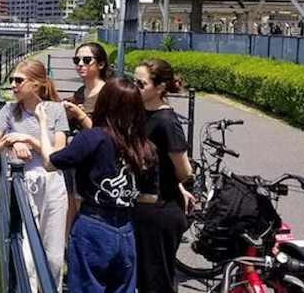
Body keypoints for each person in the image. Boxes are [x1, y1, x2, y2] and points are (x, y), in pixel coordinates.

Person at [36, 78, 155, 293]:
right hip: (126, 229)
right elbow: (151, 196)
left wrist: (43, 123)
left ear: (105, 103)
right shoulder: (144, 146)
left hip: (93, 225)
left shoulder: (92, 138)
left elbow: (50, 162)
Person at [0, 59, 68, 291]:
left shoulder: (56, 110)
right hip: (25, 181)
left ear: (37, 84)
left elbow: (59, 153)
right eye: (12, 80)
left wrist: (28, 140)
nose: (13, 85)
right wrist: (9, 143)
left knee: (54, 254)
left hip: (53, 182)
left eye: (19, 80)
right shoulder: (8, 111)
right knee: (26, 252)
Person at [132, 59, 194, 293]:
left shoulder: (166, 121)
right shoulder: (141, 113)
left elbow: (184, 170)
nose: (135, 88)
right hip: (144, 207)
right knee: (144, 277)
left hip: (161, 210)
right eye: (133, 81)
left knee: (157, 281)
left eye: (141, 83)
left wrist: (175, 186)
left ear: (159, 87)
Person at [61, 42, 112, 233]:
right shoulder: (80, 92)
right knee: (70, 202)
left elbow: (106, 134)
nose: (81, 64)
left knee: (87, 206)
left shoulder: (108, 93)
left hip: (96, 161)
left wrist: (80, 115)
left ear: (101, 64)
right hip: (76, 156)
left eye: (86, 60)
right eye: (77, 60)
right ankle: (69, 246)